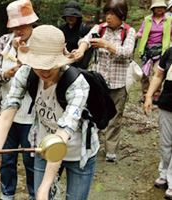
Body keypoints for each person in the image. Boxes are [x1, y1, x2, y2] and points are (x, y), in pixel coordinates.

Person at [0, 25, 99, 200]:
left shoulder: (77, 84)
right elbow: (8, 111)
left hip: (78, 149)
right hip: (45, 146)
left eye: (50, 65)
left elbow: (62, 134)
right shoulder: (25, 73)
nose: (44, 71)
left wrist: (44, 188)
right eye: (39, 64)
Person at [0, 0, 37, 199]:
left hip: (31, 115)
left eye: (23, 25)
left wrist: (20, 51)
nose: (19, 30)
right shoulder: (4, 41)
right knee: (6, 158)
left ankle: (35, 194)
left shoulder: (41, 42)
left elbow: (41, 74)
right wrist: (5, 73)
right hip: (5, 112)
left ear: (32, 23)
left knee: (31, 160)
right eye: (15, 26)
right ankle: (7, 194)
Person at [75, 0, 136, 162]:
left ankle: (110, 149)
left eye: (113, 14)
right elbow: (85, 40)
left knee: (115, 117)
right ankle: (92, 144)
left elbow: (127, 52)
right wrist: (81, 50)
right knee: (94, 112)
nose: (109, 17)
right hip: (98, 81)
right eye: (107, 13)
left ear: (121, 16)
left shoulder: (128, 31)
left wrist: (106, 44)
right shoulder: (99, 28)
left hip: (118, 81)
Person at [144, 47, 172, 199]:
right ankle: (164, 173)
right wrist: (149, 96)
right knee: (165, 142)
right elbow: (159, 74)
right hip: (167, 103)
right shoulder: (170, 52)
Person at [136, 0, 172, 104]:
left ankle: (156, 93)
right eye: (157, 7)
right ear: (153, 9)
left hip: (161, 50)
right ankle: (146, 93)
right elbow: (141, 31)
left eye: (161, 7)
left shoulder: (168, 19)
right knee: (144, 74)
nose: (160, 9)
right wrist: (134, 36)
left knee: (157, 71)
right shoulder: (148, 19)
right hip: (147, 51)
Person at [59, 1, 92, 70]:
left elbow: (88, 50)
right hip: (64, 63)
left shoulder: (84, 28)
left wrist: (82, 67)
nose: (70, 18)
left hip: (79, 65)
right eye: (68, 16)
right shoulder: (62, 28)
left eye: (73, 16)